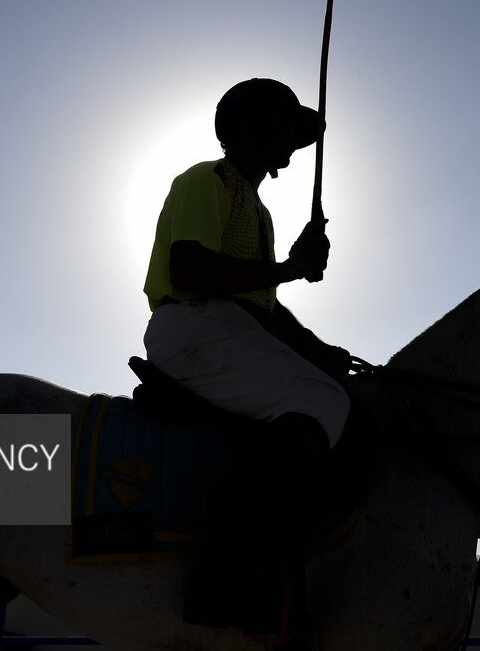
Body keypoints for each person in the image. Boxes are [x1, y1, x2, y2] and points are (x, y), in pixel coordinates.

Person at [141, 77, 352, 641]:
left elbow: (264, 310)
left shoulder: (259, 212)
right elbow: (190, 271)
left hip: (228, 326)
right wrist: (290, 267)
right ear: (255, 131)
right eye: (284, 127)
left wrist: (325, 350)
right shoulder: (205, 181)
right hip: (191, 325)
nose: (292, 141)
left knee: (335, 384)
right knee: (322, 401)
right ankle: (229, 580)